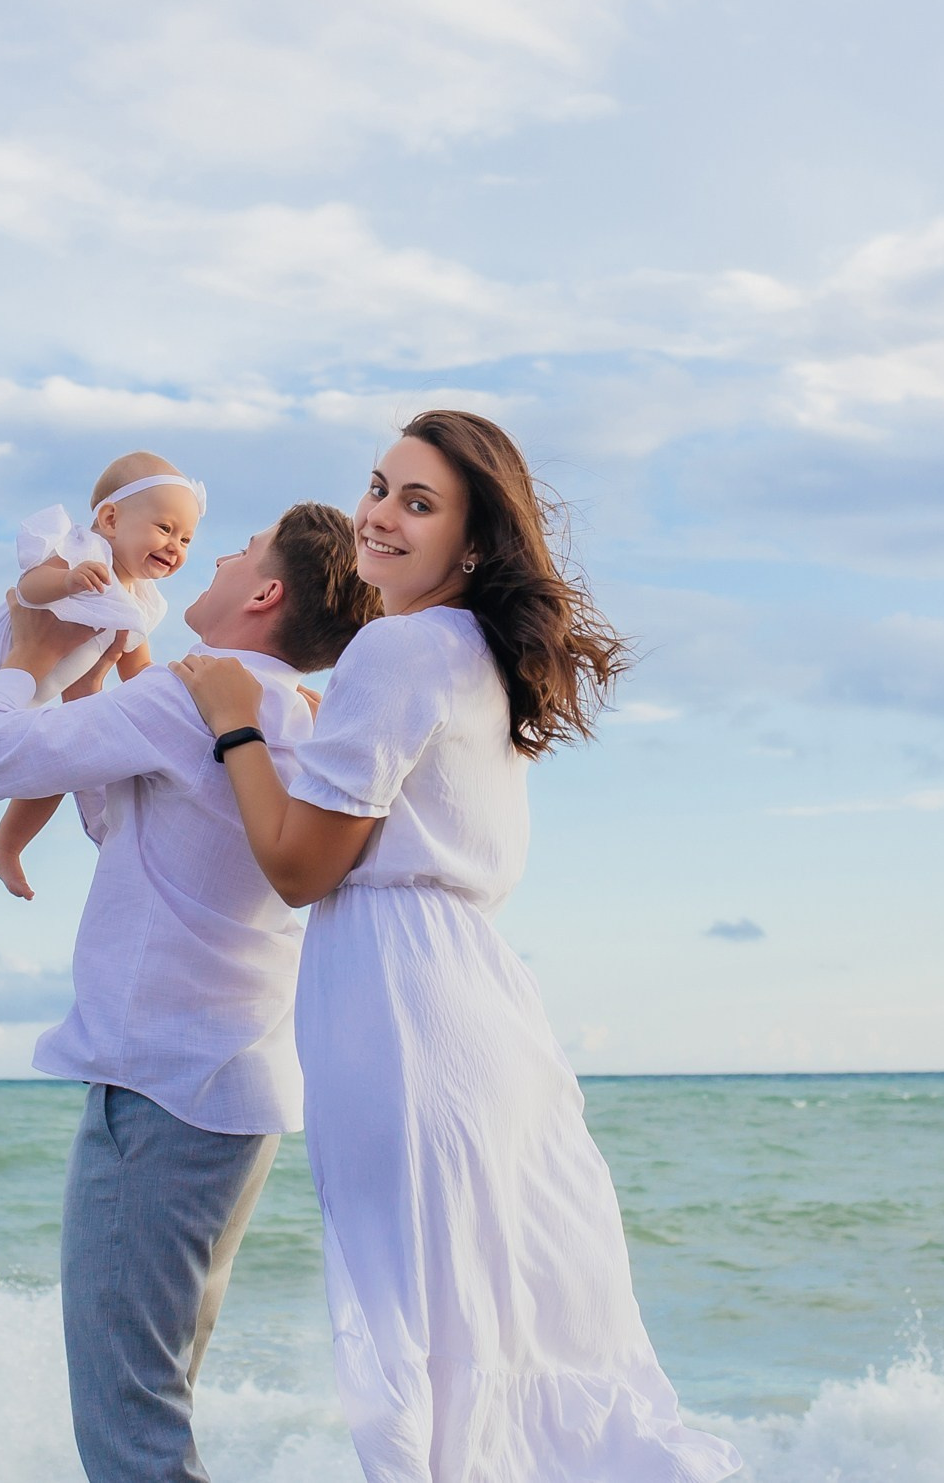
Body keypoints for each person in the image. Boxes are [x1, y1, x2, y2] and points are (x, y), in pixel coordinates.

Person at [170, 413, 742, 1483]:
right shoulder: (474, 652)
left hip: (403, 1010)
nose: (379, 514)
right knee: (510, 1328)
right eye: (378, 486)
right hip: (473, 995)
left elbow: (299, 866)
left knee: (428, 1331)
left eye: (417, 503)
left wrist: (235, 718)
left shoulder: (396, 648)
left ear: (471, 544)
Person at [0, 503, 378, 1483]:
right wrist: (108, 673)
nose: (216, 553)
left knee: (129, 1427)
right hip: (231, 1099)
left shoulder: (196, 700)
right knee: (157, 1400)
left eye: (243, 547)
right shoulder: (278, 712)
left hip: (160, 1093)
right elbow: (129, 825)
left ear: (263, 592)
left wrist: (24, 648)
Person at [0, 451, 205, 900]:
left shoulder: (141, 602)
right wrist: (66, 582)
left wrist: (184, 687)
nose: (175, 547)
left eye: (185, 539)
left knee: (58, 762)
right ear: (110, 518)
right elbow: (27, 588)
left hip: (25, 701)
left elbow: (138, 671)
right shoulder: (83, 552)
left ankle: (6, 846)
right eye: (165, 528)